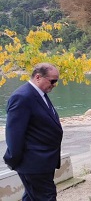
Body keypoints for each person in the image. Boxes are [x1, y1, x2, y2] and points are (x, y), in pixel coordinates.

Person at [4, 63, 63, 201]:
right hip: (33, 163)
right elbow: (14, 134)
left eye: (56, 81)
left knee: (31, 198)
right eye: (52, 81)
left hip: (44, 161)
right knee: (46, 197)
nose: (54, 84)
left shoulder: (39, 94)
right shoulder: (22, 97)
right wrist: (14, 160)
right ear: (38, 77)